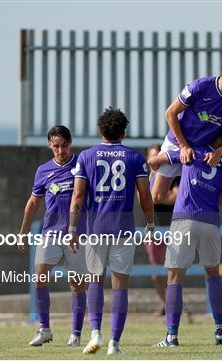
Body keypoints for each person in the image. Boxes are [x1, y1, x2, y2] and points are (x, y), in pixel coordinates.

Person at [67, 106, 154, 355]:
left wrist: (72, 227)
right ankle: (114, 342)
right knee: (120, 287)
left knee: (94, 280)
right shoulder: (135, 158)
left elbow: (78, 196)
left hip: (95, 229)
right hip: (123, 229)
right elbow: (145, 197)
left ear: (99, 130)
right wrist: (149, 224)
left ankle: (95, 332)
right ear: (124, 133)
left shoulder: (86, 157)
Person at [153, 121, 222, 347]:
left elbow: (156, 162)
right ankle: (219, 330)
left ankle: (171, 335)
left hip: (185, 219)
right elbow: (220, 198)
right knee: (213, 274)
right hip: (211, 222)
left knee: (175, 278)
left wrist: (157, 163)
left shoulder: (193, 151)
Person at [17, 125, 88, 347]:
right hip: (50, 232)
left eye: (64, 145)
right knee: (39, 277)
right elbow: (33, 203)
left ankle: (75, 334)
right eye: (56, 146)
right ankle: (44, 329)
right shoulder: (43, 171)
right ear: (50, 145)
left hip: (78, 234)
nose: (60, 150)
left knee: (77, 284)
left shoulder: (82, 164)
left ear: (71, 143)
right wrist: (23, 232)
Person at [151, 54, 222, 205]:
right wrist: (184, 146)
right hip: (178, 142)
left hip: (204, 148)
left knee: (216, 200)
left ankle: (187, 204)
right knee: (156, 198)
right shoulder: (200, 87)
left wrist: (219, 151)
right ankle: (161, 168)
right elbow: (170, 113)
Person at [146, 144, 179, 316]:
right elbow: (143, 200)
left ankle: (173, 304)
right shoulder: (144, 177)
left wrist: (156, 198)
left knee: (173, 269)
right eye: (151, 156)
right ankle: (164, 303)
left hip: (173, 228)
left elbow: (176, 197)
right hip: (153, 229)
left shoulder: (172, 173)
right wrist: (157, 198)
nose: (154, 159)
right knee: (155, 273)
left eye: (157, 155)